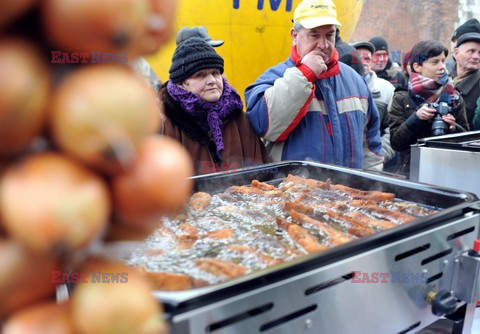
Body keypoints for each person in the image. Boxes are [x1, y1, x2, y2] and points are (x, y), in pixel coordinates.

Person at [244, 0, 382, 169]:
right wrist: (304, 74)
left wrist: (369, 187)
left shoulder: (355, 80)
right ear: (295, 36)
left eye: (329, 35)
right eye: (314, 35)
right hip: (290, 192)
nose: (323, 45)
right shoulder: (272, 78)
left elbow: (371, 147)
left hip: (349, 192)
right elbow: (267, 127)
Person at [158, 37, 269, 174]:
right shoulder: (164, 122)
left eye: (215, 73)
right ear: (181, 83)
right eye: (200, 75)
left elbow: (263, 173)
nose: (211, 80)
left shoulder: (239, 118)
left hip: (240, 195)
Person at [389, 40, 469, 178]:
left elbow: (467, 139)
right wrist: (416, 118)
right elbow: (396, 143)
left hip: (448, 173)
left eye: (443, 61)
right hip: (411, 173)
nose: (442, 67)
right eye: (435, 62)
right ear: (417, 66)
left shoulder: (454, 97)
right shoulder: (402, 98)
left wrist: (454, 128)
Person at [352, 41, 395, 170]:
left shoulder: (386, 89)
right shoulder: (341, 88)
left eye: (367, 59)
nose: (364, 62)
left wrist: (379, 153)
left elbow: (393, 128)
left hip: (374, 167)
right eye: (359, 58)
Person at [450, 32, 480, 130]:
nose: (476, 57)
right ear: (456, 53)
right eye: (471, 51)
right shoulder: (442, 79)